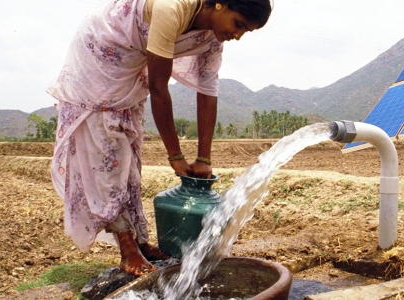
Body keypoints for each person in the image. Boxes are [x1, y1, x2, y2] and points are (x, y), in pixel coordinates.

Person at [47, 0, 271, 276]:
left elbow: (208, 92)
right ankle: (127, 249)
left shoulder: (213, 37)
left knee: (129, 154)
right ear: (219, 4)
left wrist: (204, 158)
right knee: (106, 155)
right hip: (102, 57)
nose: (237, 35)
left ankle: (139, 241)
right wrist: (175, 156)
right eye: (238, 24)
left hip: (131, 66)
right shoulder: (171, 8)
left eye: (246, 31)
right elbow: (158, 87)